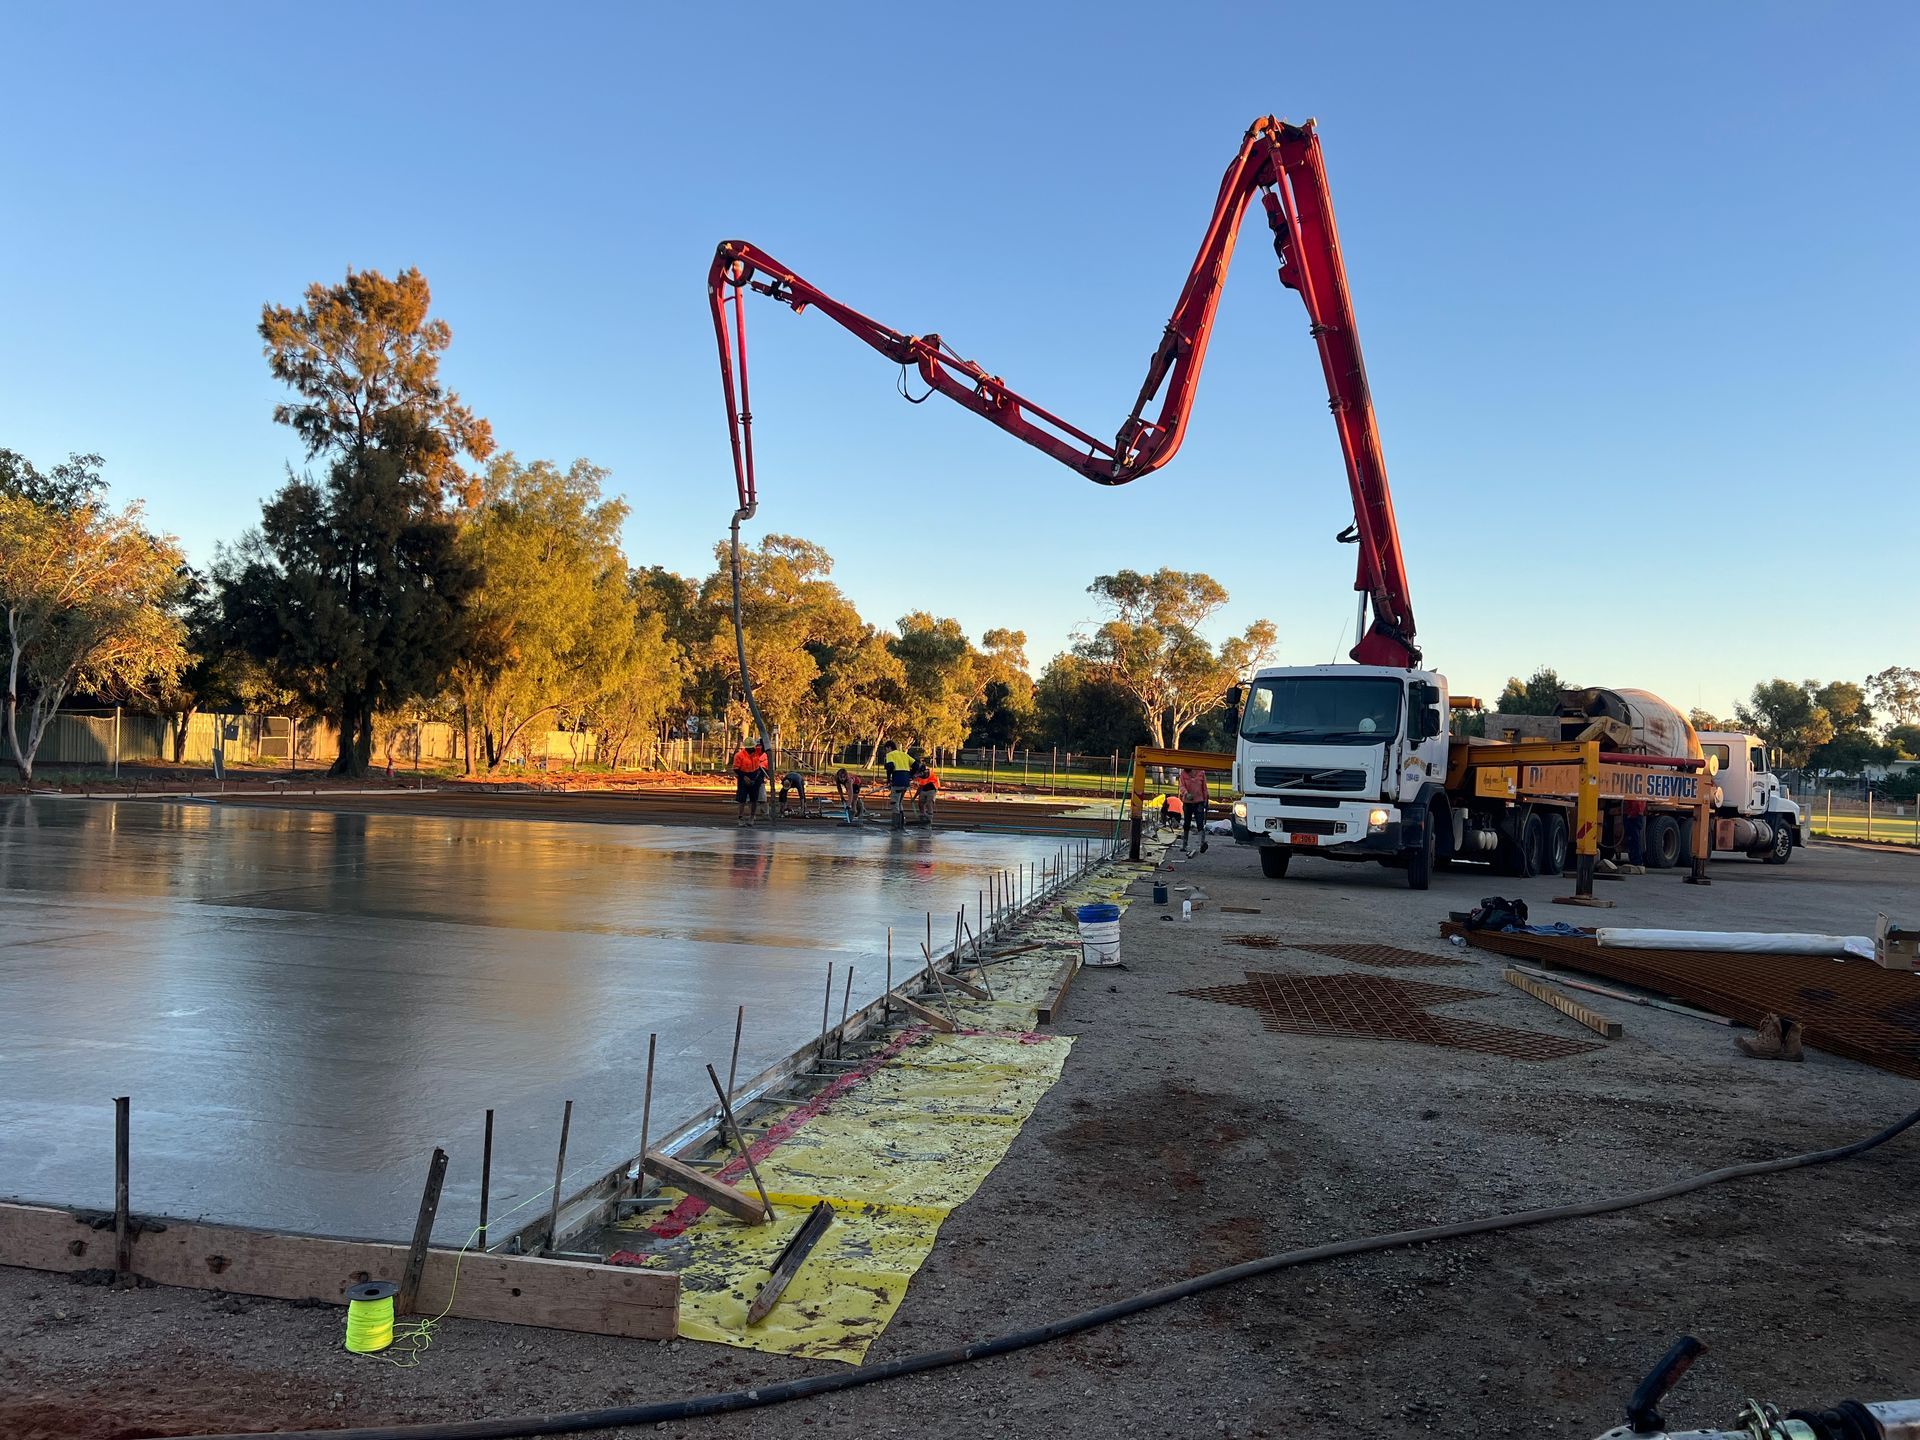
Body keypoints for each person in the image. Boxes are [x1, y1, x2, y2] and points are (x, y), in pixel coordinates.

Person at [732, 738, 770, 826]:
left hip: (755, 777)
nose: (752, 749)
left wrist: (763, 739)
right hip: (743, 778)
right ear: (746, 747)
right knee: (742, 800)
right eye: (750, 747)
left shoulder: (757, 752)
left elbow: (765, 748)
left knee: (754, 799)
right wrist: (744, 777)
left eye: (753, 747)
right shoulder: (739, 755)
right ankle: (740, 818)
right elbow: (736, 769)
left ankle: (752, 817)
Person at [880, 742, 915, 829]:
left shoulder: (890, 755)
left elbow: (890, 767)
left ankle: (896, 825)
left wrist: (888, 780)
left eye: (886, 749)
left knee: (894, 803)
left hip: (897, 781)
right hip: (905, 783)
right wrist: (910, 775)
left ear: (888, 748)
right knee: (899, 803)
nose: (886, 752)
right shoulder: (904, 754)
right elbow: (916, 765)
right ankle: (901, 823)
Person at [1177, 765, 1210, 854]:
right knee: (1186, 823)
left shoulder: (1201, 773)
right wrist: (1186, 793)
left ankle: (1202, 843)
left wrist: (1206, 801)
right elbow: (1181, 786)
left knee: (1200, 822)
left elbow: (1204, 788)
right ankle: (1184, 845)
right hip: (1187, 802)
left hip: (1199, 802)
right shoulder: (1183, 774)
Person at [1622, 796, 1647, 871]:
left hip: (1634, 816)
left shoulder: (1635, 792)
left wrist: (1631, 815)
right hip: (1636, 815)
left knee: (1633, 839)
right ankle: (1636, 860)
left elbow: (1636, 805)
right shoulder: (1639, 792)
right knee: (1634, 839)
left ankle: (1636, 861)